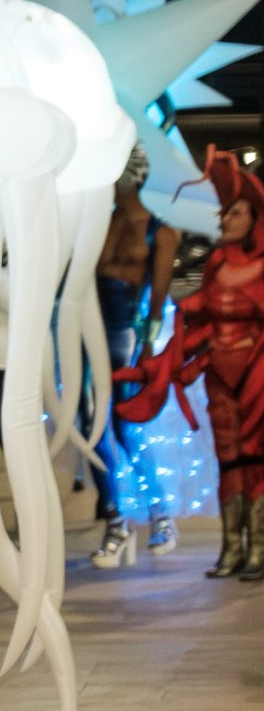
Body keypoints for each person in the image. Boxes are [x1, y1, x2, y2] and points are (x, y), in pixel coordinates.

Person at [115, 151, 264, 579]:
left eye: (236, 213)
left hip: (255, 372)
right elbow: (201, 315)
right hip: (219, 374)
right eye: (226, 212)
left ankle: (257, 550)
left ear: (254, 218)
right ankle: (232, 546)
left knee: (256, 457)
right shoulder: (216, 263)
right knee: (229, 458)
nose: (226, 219)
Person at [89, 166, 184, 568]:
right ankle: (116, 519)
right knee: (89, 428)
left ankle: (160, 515)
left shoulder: (160, 231)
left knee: (126, 429)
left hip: (125, 332)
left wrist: (147, 346)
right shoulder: (103, 218)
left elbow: (158, 298)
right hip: (88, 329)